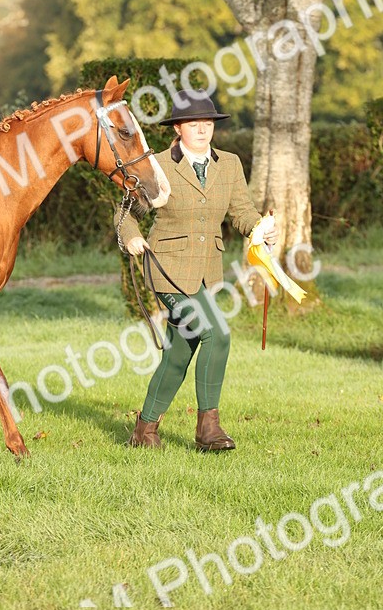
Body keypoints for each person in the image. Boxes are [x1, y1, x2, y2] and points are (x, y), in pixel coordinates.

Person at [116, 92, 277, 452]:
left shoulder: (230, 164)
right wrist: (132, 237)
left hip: (206, 274)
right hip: (167, 270)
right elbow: (126, 212)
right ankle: (208, 430)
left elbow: (242, 211)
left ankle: (144, 432)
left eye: (208, 123)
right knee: (217, 335)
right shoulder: (157, 166)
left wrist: (259, 228)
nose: (203, 130)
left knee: (178, 353)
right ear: (177, 128)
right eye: (193, 124)